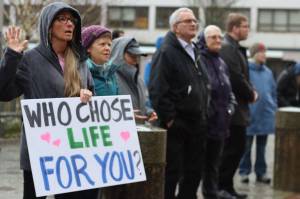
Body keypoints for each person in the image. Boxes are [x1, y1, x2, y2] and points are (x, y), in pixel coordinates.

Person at [0, 2, 98, 199]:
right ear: (49, 26)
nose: (69, 24)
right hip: (40, 152)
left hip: (73, 151)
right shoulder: (30, 59)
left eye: (72, 20)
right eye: (62, 19)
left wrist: (87, 95)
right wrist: (11, 55)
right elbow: (4, 93)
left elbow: (92, 95)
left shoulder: (80, 60)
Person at [149, 8, 210, 199]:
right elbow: (157, 89)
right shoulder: (166, 52)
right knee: (172, 174)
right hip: (177, 125)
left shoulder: (195, 50)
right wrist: (170, 119)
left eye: (195, 21)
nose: (194, 24)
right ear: (176, 27)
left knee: (194, 172)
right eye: (188, 21)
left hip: (197, 123)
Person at [218, 13, 258, 199]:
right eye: (245, 26)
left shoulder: (235, 48)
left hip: (238, 110)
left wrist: (250, 90)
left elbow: (242, 76)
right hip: (231, 111)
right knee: (232, 150)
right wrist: (251, 93)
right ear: (234, 28)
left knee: (236, 149)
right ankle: (221, 188)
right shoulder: (228, 48)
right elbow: (235, 77)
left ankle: (227, 187)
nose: (247, 29)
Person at [196, 25, 236, 199]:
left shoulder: (221, 62)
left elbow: (229, 90)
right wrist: (208, 113)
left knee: (213, 164)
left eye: (220, 37)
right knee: (196, 164)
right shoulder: (200, 60)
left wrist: (231, 107)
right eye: (213, 37)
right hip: (205, 124)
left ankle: (211, 193)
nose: (218, 40)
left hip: (221, 123)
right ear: (204, 40)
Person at [239, 42, 277, 184]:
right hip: (249, 115)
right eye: (261, 52)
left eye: (265, 52)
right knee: (246, 147)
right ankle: (244, 172)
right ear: (254, 54)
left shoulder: (268, 72)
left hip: (265, 116)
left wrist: (273, 106)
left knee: (262, 148)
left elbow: (273, 92)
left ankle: (261, 173)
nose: (264, 55)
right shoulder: (246, 70)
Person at [110, 36, 157, 123]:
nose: (136, 61)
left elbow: (143, 104)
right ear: (119, 55)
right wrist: (125, 114)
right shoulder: (109, 79)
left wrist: (149, 112)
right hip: (119, 132)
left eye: (137, 56)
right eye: (132, 56)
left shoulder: (138, 79)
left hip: (137, 132)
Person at [82, 25, 119, 96]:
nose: (107, 48)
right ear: (88, 48)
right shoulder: (80, 73)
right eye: (102, 44)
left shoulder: (111, 73)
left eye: (109, 45)